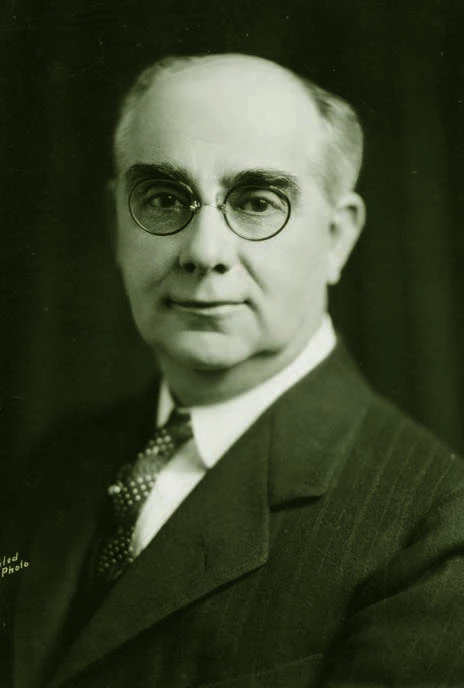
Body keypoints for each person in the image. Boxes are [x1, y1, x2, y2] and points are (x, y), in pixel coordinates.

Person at [2, 52, 464, 688]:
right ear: (117, 221)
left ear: (338, 237)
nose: (204, 252)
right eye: (164, 199)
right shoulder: (59, 460)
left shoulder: (431, 527)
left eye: (256, 203)